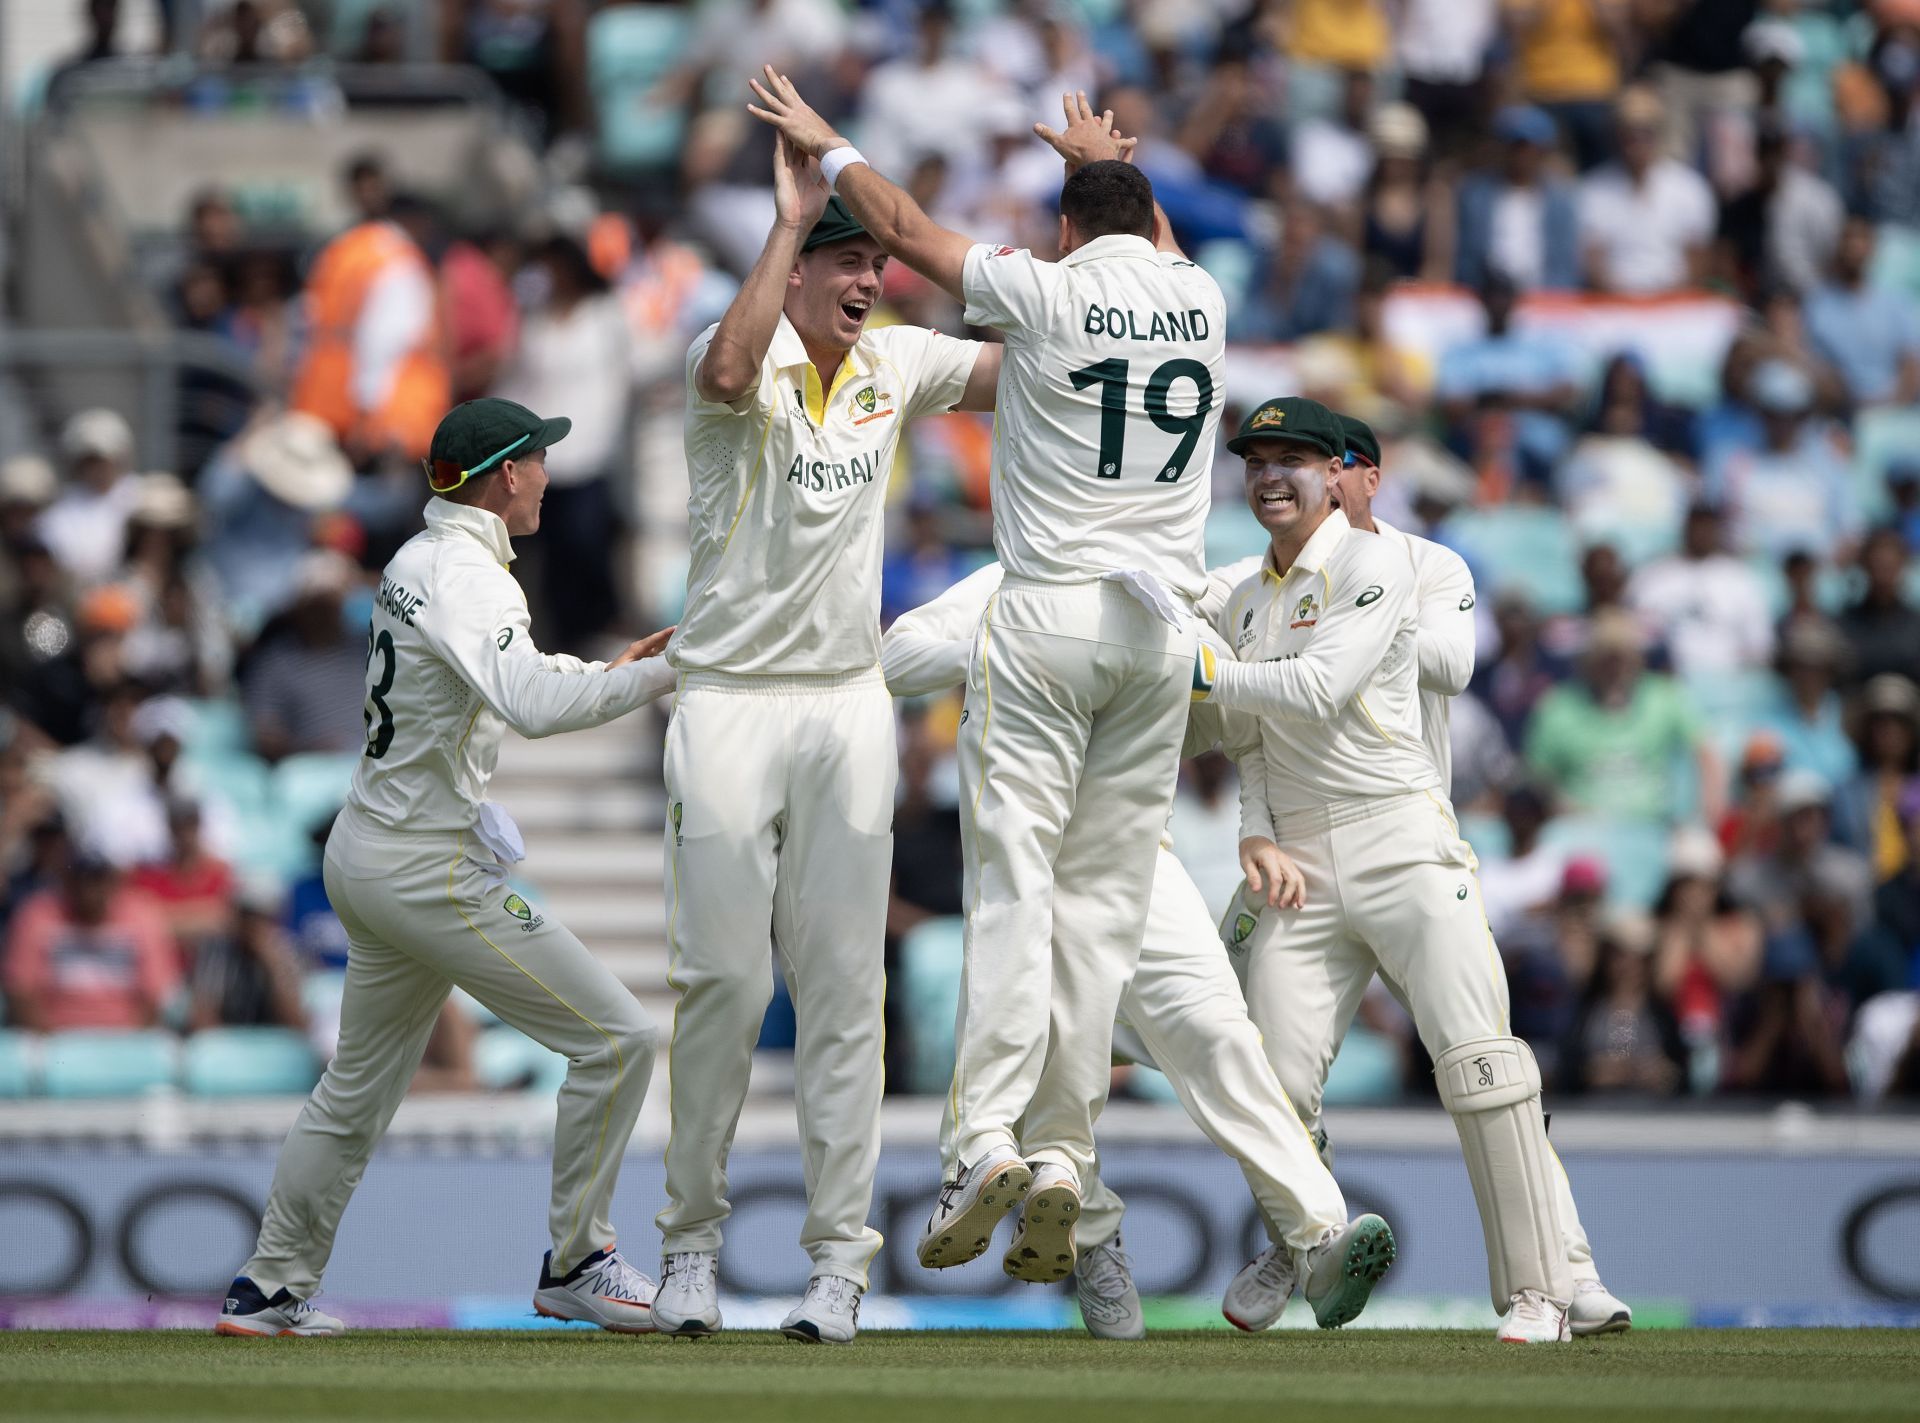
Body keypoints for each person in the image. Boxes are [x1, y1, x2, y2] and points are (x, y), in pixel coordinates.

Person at [749, 81, 1221, 1289]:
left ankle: (986, 1143)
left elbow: (901, 227)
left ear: (1065, 232)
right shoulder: (1201, 300)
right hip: (1164, 636)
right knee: (1102, 917)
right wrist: (1115, 164)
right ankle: (1064, 1154)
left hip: (1051, 615)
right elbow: (1147, 244)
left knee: (1012, 892)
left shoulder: (1048, 291)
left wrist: (829, 145)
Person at [215, 397, 678, 1340]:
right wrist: (658, 675)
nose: (549, 474)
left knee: (353, 1093)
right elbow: (532, 703)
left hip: (368, 849)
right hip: (427, 866)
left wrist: (607, 669)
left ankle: (268, 1287)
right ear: (506, 474)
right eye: (540, 459)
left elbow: (518, 682)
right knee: (618, 1037)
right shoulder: (472, 576)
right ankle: (579, 1260)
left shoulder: (416, 559)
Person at [651, 133, 999, 1344]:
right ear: (797, 268)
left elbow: (1033, 371)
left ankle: (838, 1268)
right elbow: (734, 373)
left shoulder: (894, 362)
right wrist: (793, 222)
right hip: (729, 701)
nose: (866, 281)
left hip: (849, 700)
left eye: (875, 264)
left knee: (852, 995)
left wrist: (1128, 275)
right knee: (726, 986)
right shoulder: (731, 344)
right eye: (842, 262)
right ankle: (689, 1248)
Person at [882, 561, 1392, 1340]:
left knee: (1220, 1034)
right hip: (1034, 865)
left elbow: (1235, 718)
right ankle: (1091, 1239)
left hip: (1142, 862)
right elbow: (900, 655)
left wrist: (1225, 685)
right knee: (1064, 1069)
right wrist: (1016, 642)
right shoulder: (1011, 582)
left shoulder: (1172, 592)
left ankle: (1318, 1236)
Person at [1216, 409, 1632, 1338]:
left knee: (1484, 1065)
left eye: (1307, 462)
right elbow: (1246, 734)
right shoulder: (1247, 595)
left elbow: (1444, 662)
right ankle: (1300, 1234)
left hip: (1402, 832)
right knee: (1270, 1080)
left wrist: (1365, 618)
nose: (1273, 477)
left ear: (1357, 475)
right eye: (1258, 463)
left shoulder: (1418, 565)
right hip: (1298, 857)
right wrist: (1254, 826)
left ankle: (1548, 1287)